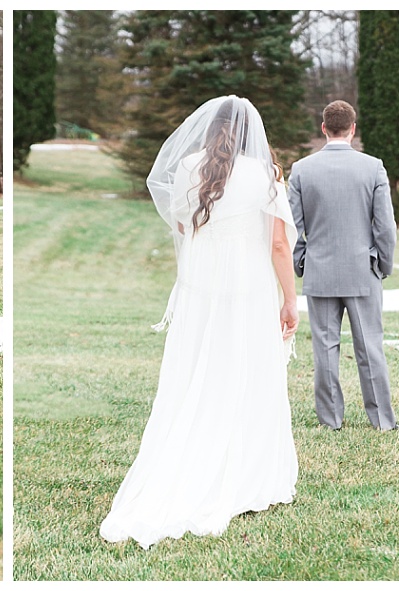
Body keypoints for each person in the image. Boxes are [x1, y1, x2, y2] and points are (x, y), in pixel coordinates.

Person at [99, 96, 299, 549]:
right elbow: (279, 246)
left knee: (197, 375)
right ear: (252, 133)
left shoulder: (189, 167)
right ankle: (246, 472)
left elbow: (185, 228)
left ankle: (190, 455)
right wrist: (290, 300)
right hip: (247, 290)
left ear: (208, 129)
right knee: (246, 374)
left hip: (200, 289)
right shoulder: (263, 175)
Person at [287, 100, 399, 431]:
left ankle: (330, 418)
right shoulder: (373, 167)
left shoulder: (302, 170)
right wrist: (384, 264)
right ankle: (381, 419)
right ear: (353, 129)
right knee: (370, 348)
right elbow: (385, 227)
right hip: (363, 270)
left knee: (324, 348)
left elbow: (291, 227)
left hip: (319, 269)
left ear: (323, 128)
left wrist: (302, 262)